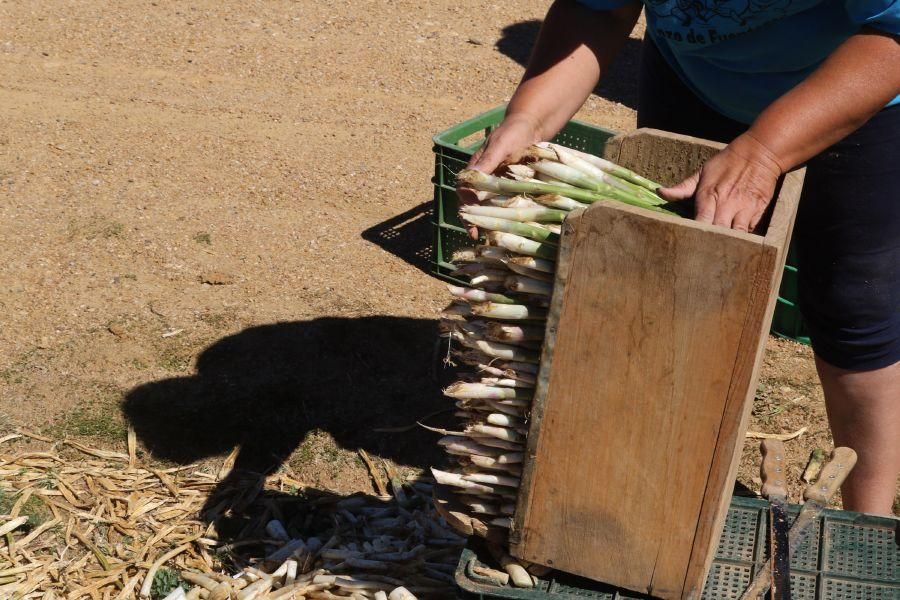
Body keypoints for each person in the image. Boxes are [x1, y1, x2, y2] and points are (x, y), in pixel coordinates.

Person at [465, 0, 900, 515]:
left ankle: (865, 520)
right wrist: (529, 118)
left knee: (855, 307)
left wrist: (763, 150)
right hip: (693, 80)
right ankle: (654, 495)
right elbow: (598, 9)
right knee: (667, 294)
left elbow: (892, 33)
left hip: (855, 97)